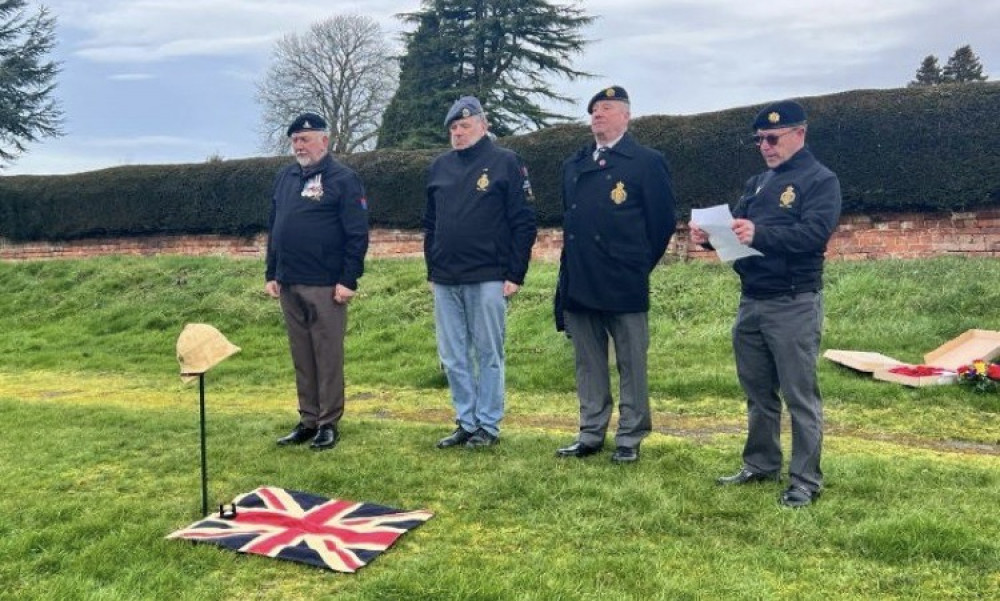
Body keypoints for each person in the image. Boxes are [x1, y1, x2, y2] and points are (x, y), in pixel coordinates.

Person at [688, 100, 841, 507]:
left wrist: (760, 234)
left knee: (799, 395)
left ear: (799, 134)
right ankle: (760, 464)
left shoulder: (820, 180)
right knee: (757, 392)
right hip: (752, 300)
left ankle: (806, 480)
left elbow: (813, 236)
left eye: (773, 138)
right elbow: (736, 229)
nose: (766, 146)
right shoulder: (757, 183)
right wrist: (708, 236)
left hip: (793, 301)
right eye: (760, 140)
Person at [554, 86, 677, 463]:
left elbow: (661, 223)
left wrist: (636, 264)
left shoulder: (645, 161)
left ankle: (630, 436)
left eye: (606, 108)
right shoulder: (574, 163)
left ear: (626, 116)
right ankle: (591, 432)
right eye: (593, 109)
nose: (597, 114)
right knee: (588, 363)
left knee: (631, 362)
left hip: (623, 278)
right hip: (580, 276)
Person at [424, 96, 538, 449]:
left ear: (483, 125)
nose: (458, 133)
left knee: (488, 353)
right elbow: (430, 223)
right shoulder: (439, 167)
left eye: (465, 126)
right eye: (453, 128)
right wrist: (431, 269)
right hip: (445, 277)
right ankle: (465, 420)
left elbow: (524, 222)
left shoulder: (506, 162)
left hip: (489, 274)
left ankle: (488, 424)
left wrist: (515, 274)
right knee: (453, 355)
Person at [266, 112, 370, 451]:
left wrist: (348, 279)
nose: (299, 144)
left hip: (326, 284)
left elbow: (357, 233)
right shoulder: (285, 177)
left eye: (305, 138)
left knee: (327, 355)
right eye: (295, 139)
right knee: (302, 355)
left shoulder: (343, 178)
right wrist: (271, 272)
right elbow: (275, 227)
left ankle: (329, 423)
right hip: (290, 280)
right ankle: (308, 419)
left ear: (324, 140)